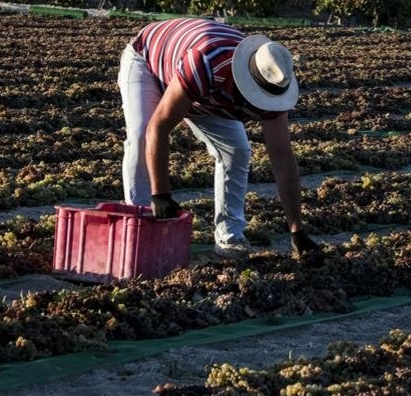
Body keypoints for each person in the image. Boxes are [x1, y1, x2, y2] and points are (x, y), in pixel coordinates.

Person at [118, 18, 321, 259]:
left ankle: (230, 237)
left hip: (203, 89)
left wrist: (297, 230)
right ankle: (139, 229)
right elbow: (158, 127)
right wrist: (160, 194)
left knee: (236, 150)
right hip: (150, 60)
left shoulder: (275, 87)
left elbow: (283, 159)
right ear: (245, 84)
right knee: (141, 135)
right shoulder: (207, 64)